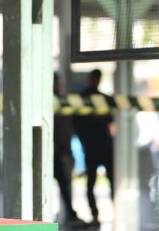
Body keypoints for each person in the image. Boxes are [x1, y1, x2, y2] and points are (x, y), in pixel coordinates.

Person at [72, 68, 114, 227]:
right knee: (92, 183)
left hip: (99, 145)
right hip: (94, 145)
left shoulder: (96, 97)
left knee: (97, 182)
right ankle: (95, 213)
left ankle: (96, 214)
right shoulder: (86, 98)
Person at [52, 73, 84, 226]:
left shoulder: (63, 101)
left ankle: (70, 214)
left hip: (59, 151)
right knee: (62, 185)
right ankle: (68, 214)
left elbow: (66, 129)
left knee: (64, 185)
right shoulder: (51, 100)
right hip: (52, 151)